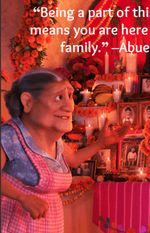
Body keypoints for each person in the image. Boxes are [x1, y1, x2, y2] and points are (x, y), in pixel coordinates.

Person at [1, 68, 129, 233]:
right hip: (18, 226)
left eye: (70, 96)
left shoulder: (54, 140)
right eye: (59, 97)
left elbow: (74, 159)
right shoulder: (8, 136)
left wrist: (100, 143)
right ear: (28, 102)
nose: (70, 106)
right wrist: (22, 197)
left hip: (51, 226)